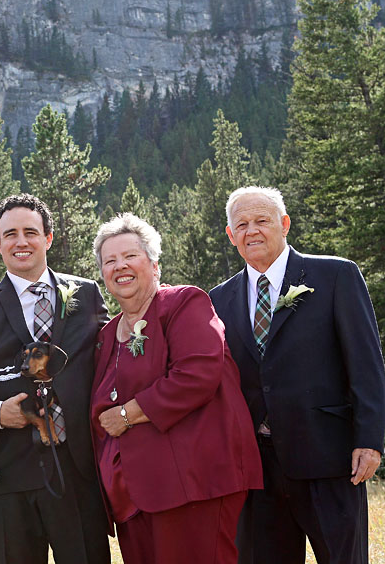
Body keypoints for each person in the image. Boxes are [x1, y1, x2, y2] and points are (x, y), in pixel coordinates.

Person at [209, 186, 385, 564]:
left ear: (284, 224)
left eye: (262, 220)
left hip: (330, 458)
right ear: (230, 235)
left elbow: (366, 363)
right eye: (241, 224)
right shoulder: (219, 299)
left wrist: (369, 440)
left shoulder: (335, 275)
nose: (251, 230)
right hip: (257, 469)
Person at [0, 193, 111, 564]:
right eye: (10, 233)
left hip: (77, 472)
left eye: (30, 231)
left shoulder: (87, 294)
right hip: (8, 475)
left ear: (47, 238)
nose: (21, 241)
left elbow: (115, 357)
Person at [89, 212, 262, 564]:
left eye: (130, 256)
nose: (120, 266)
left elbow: (197, 374)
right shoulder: (107, 335)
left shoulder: (184, 304)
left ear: (154, 265)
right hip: (132, 495)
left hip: (193, 482)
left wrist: (126, 415)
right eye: (110, 260)